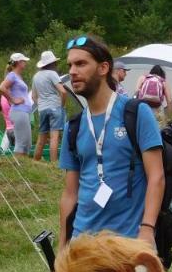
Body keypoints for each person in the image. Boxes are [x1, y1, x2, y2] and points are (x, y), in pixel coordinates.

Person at [58, 35, 164, 253]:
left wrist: (147, 229)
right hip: (83, 243)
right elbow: (70, 194)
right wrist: (63, 247)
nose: (72, 71)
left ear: (103, 68)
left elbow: (156, 177)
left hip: (128, 242)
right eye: (70, 65)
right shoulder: (74, 126)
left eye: (81, 63)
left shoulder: (136, 113)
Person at [31, 50, 67, 164]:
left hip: (42, 109)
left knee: (41, 137)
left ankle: (35, 161)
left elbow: (33, 96)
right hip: (55, 107)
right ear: (52, 63)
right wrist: (61, 105)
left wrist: (41, 104)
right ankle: (54, 163)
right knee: (54, 137)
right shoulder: (52, 74)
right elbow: (63, 91)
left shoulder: (36, 76)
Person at [0, 52, 33, 155]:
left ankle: (23, 164)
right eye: (23, 61)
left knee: (27, 142)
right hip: (19, 111)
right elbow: (2, 88)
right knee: (21, 142)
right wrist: (13, 100)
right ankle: (19, 164)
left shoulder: (17, 76)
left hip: (23, 112)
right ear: (18, 63)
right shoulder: (12, 75)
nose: (25, 63)